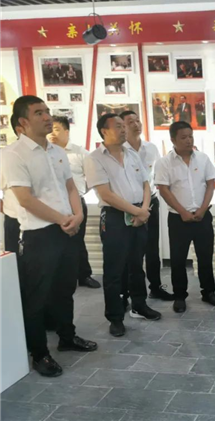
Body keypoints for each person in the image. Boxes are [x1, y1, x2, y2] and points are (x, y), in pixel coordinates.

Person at [5, 96, 97, 377]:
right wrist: (63, 219)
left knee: (65, 289)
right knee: (37, 297)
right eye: (39, 113)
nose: (47, 117)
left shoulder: (57, 151)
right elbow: (25, 199)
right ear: (23, 122)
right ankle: (39, 353)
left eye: (47, 111)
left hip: (67, 229)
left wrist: (77, 215)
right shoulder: (13, 155)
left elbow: (70, 186)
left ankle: (67, 337)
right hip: (38, 235)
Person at [84, 114, 161, 338]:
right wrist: (137, 212)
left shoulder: (132, 154)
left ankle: (140, 305)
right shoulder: (95, 158)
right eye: (118, 126)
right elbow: (106, 194)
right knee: (114, 269)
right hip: (116, 217)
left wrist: (144, 210)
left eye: (123, 126)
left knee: (137, 265)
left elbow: (146, 184)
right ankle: (115, 317)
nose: (123, 129)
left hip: (140, 213)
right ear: (104, 131)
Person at [155, 122, 215, 313]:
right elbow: (164, 190)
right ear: (173, 140)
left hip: (202, 217)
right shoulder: (164, 162)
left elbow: (210, 184)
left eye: (190, 136)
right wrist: (183, 212)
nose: (188, 140)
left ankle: (208, 292)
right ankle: (179, 296)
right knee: (178, 260)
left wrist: (203, 209)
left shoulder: (202, 158)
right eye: (183, 137)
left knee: (205, 257)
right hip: (178, 219)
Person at [122, 110, 173, 301]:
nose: (136, 124)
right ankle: (127, 292)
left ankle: (155, 287)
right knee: (129, 251)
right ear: (122, 126)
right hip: (128, 205)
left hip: (151, 202)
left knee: (152, 248)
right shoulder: (119, 150)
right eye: (130, 122)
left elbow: (158, 174)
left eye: (138, 120)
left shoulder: (151, 148)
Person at [48, 118, 100, 289]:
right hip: (53, 204)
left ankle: (84, 275)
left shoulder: (80, 153)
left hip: (76, 203)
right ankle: (61, 277)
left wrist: (80, 193)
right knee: (55, 241)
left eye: (56, 129)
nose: (52, 133)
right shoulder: (45, 152)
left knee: (77, 240)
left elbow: (92, 178)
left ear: (66, 131)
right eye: (50, 129)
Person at [1, 116, 24, 253]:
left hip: (45, 221)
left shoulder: (51, 152)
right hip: (14, 217)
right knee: (14, 260)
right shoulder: (6, 154)